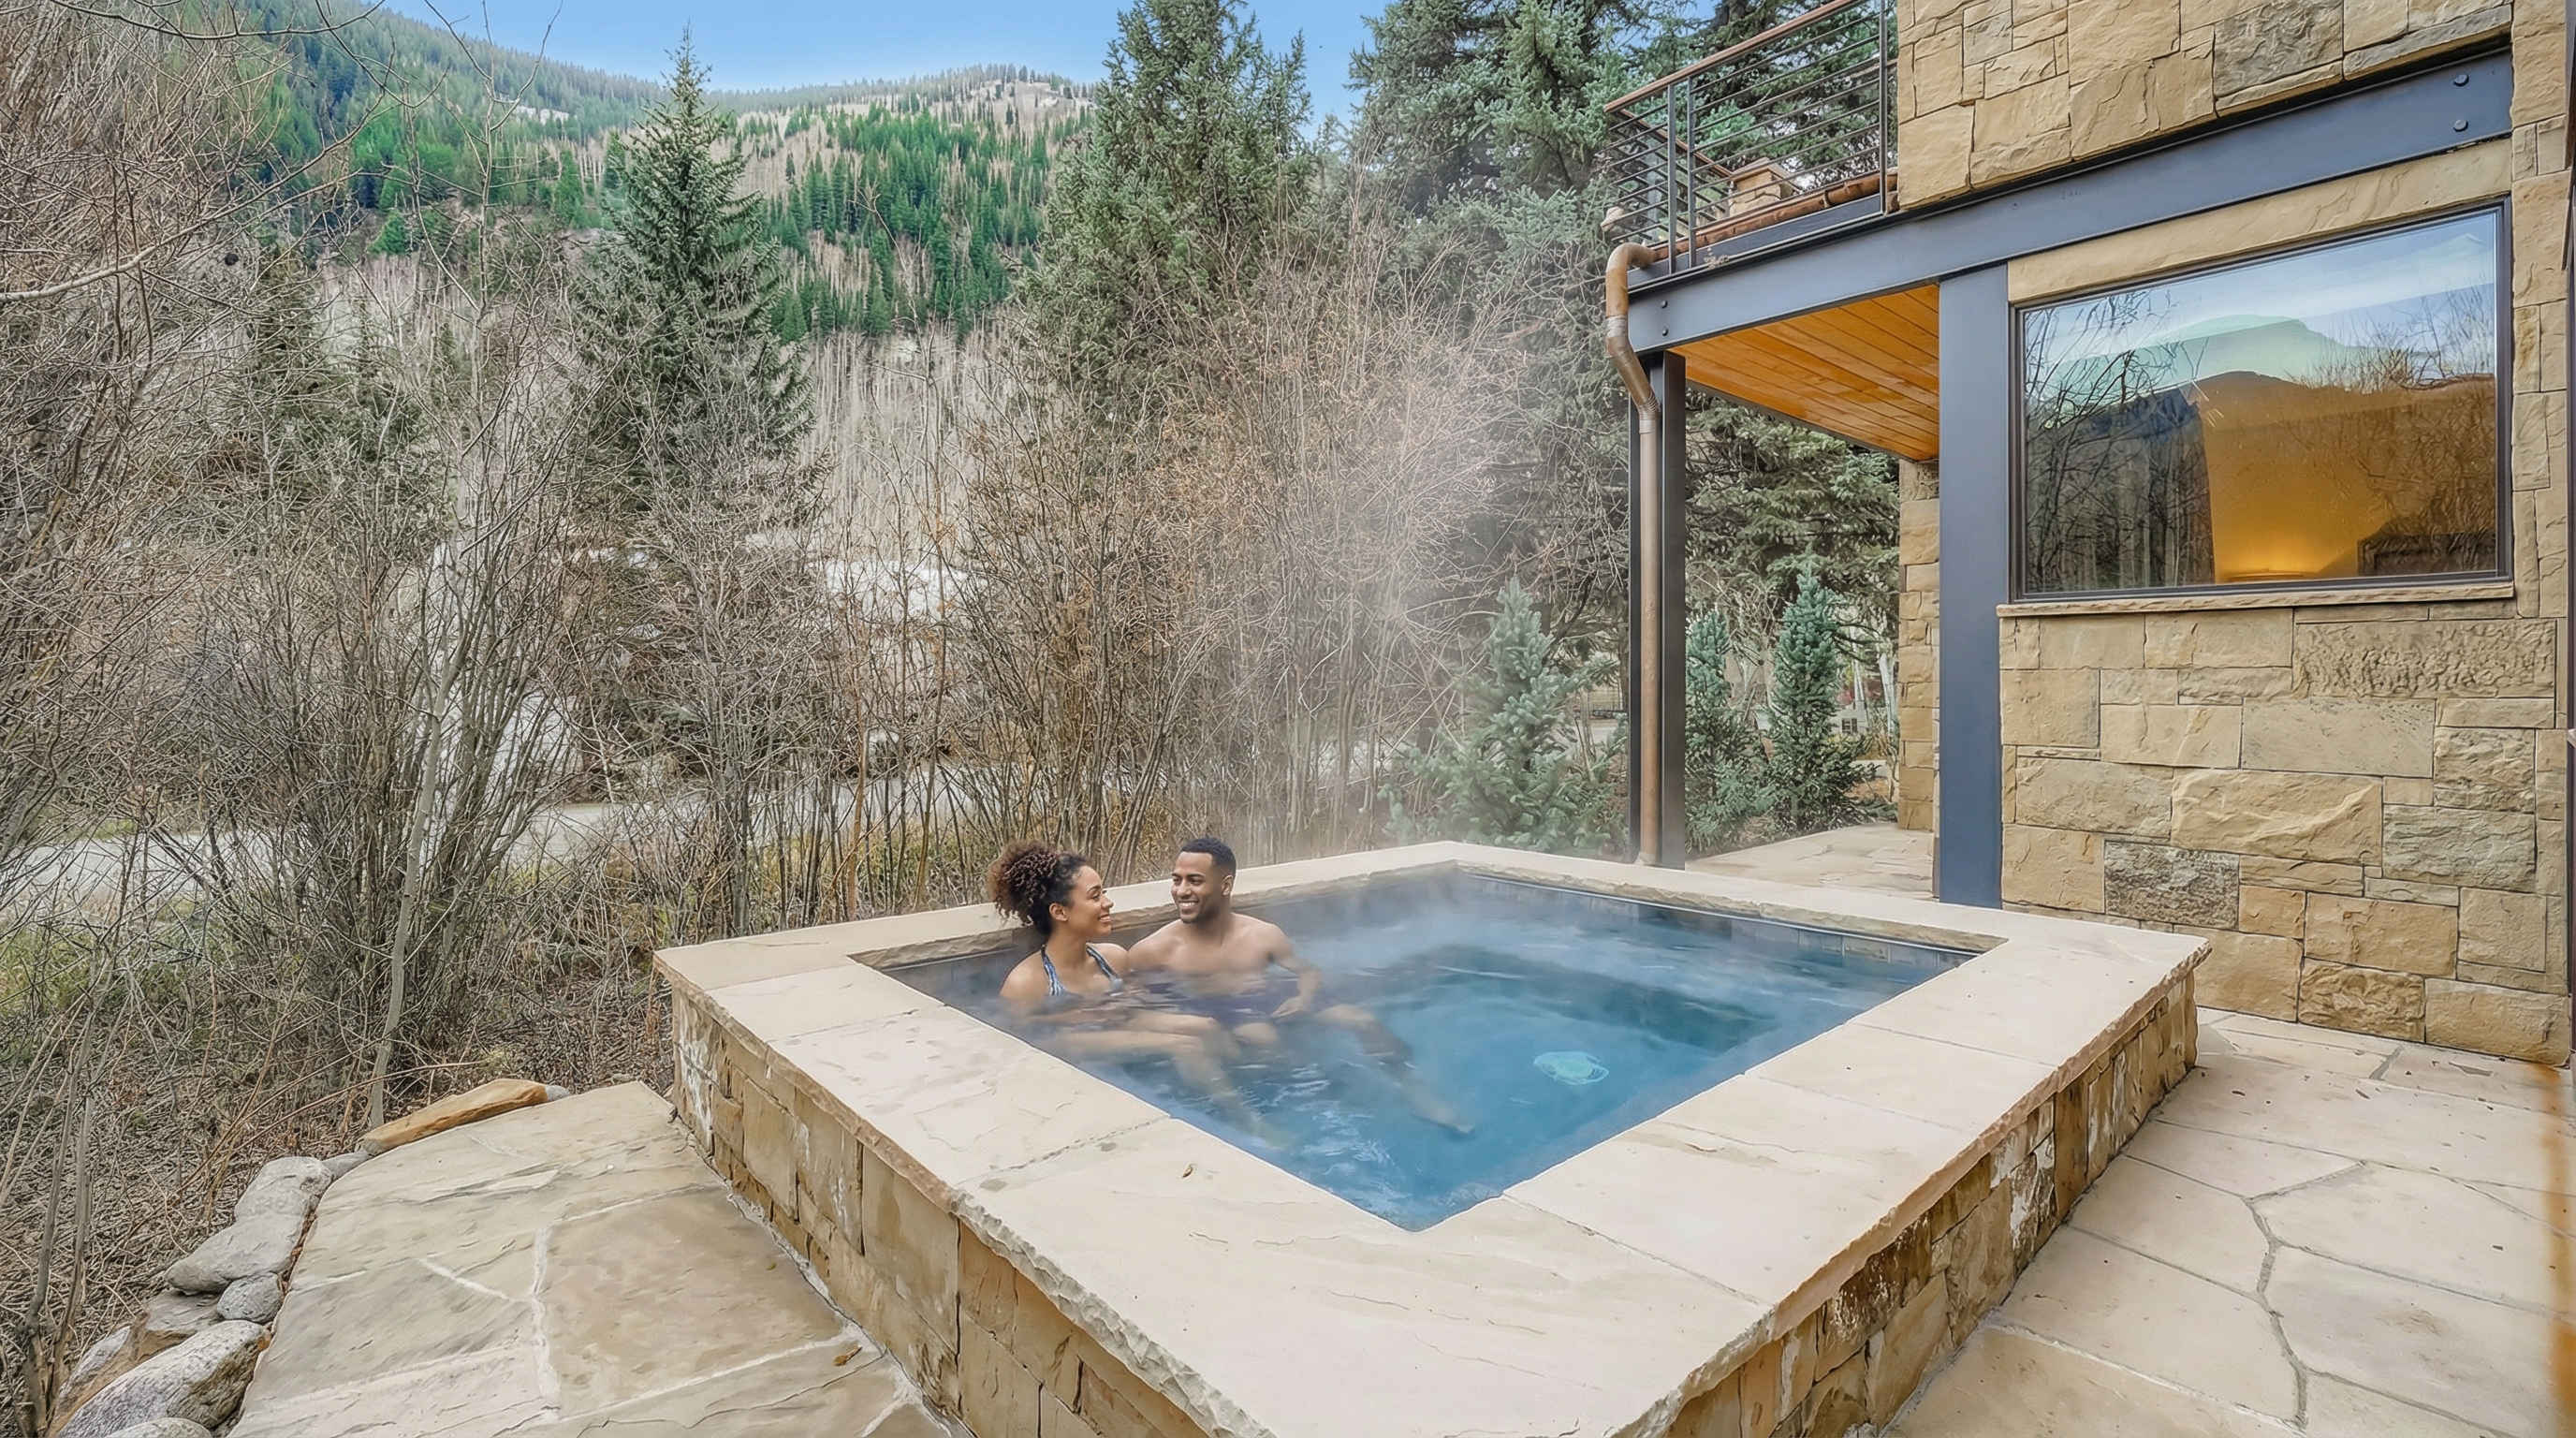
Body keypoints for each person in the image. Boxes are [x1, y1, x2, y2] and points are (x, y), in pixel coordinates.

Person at [1126, 837, 1471, 1135]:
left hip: (1272, 996)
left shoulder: (1262, 934)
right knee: (1267, 1040)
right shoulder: (1155, 950)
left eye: (1194, 880)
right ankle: (1258, 1117)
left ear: (1225, 885)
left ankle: (1411, 1086)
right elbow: (1131, 1005)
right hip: (1216, 1009)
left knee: (1364, 1021)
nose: (1181, 890)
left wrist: (1305, 1000)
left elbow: (1308, 972)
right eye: (1176, 880)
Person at [987, 841, 1288, 1146]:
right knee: (1183, 1045)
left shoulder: (1113, 958)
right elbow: (1023, 1045)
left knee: (1205, 1026)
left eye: (1103, 892)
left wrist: (1206, 989)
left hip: (1111, 1021)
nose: (1108, 903)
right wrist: (1077, 1016)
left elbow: (1137, 1003)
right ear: (1060, 912)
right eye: (1095, 896)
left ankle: (1248, 1083)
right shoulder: (1026, 982)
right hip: (1070, 1042)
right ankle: (1251, 1124)